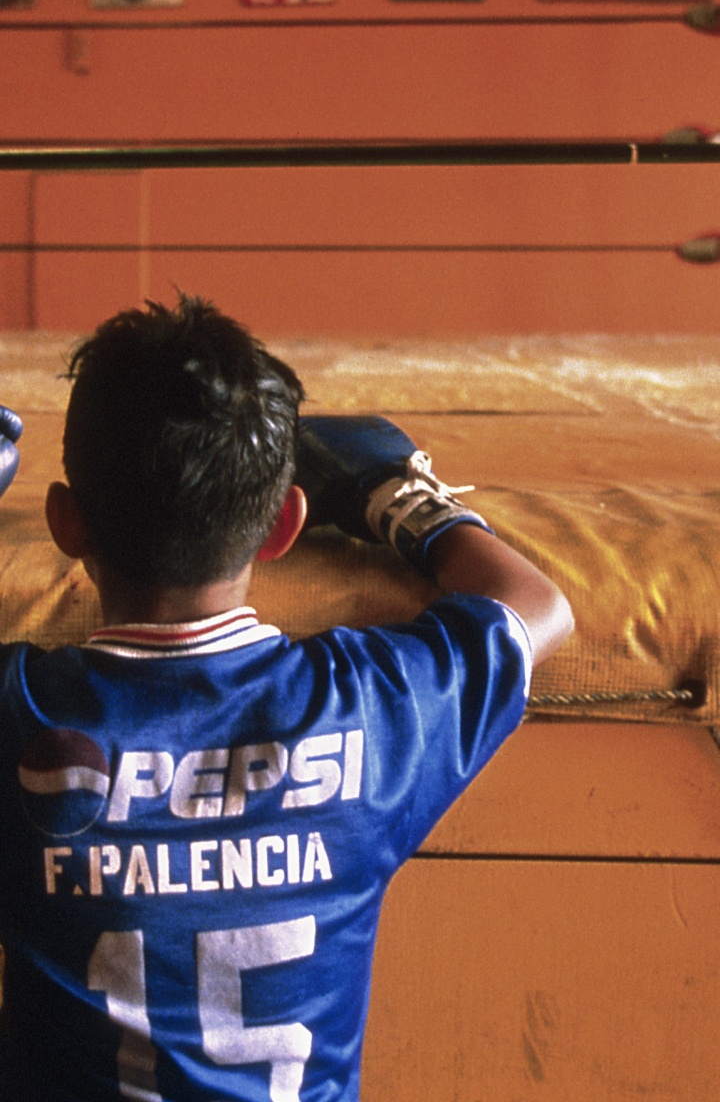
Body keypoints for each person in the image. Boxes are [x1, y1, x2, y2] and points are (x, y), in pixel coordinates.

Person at [0, 295, 573, 1100]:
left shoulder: (19, 715)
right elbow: (537, 606)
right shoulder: (367, 709)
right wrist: (399, 497)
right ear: (284, 526)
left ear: (66, 522)